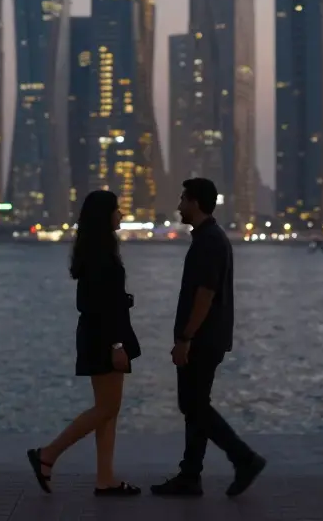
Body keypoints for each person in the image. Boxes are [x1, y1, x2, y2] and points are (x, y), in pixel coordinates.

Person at [150, 178, 266, 498]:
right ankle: (190, 476)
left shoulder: (209, 242)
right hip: (208, 337)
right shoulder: (209, 238)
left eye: (183, 199)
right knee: (195, 405)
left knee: (193, 405)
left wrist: (185, 338)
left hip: (202, 339)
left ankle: (243, 458)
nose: (178, 206)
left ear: (196, 203)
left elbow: (205, 294)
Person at [27, 190, 142, 496]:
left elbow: (94, 301)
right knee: (107, 407)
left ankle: (105, 478)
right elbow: (100, 304)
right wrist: (117, 345)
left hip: (96, 334)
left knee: (107, 409)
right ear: (104, 216)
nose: (121, 215)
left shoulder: (95, 252)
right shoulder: (103, 257)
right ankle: (48, 455)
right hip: (106, 338)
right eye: (116, 210)